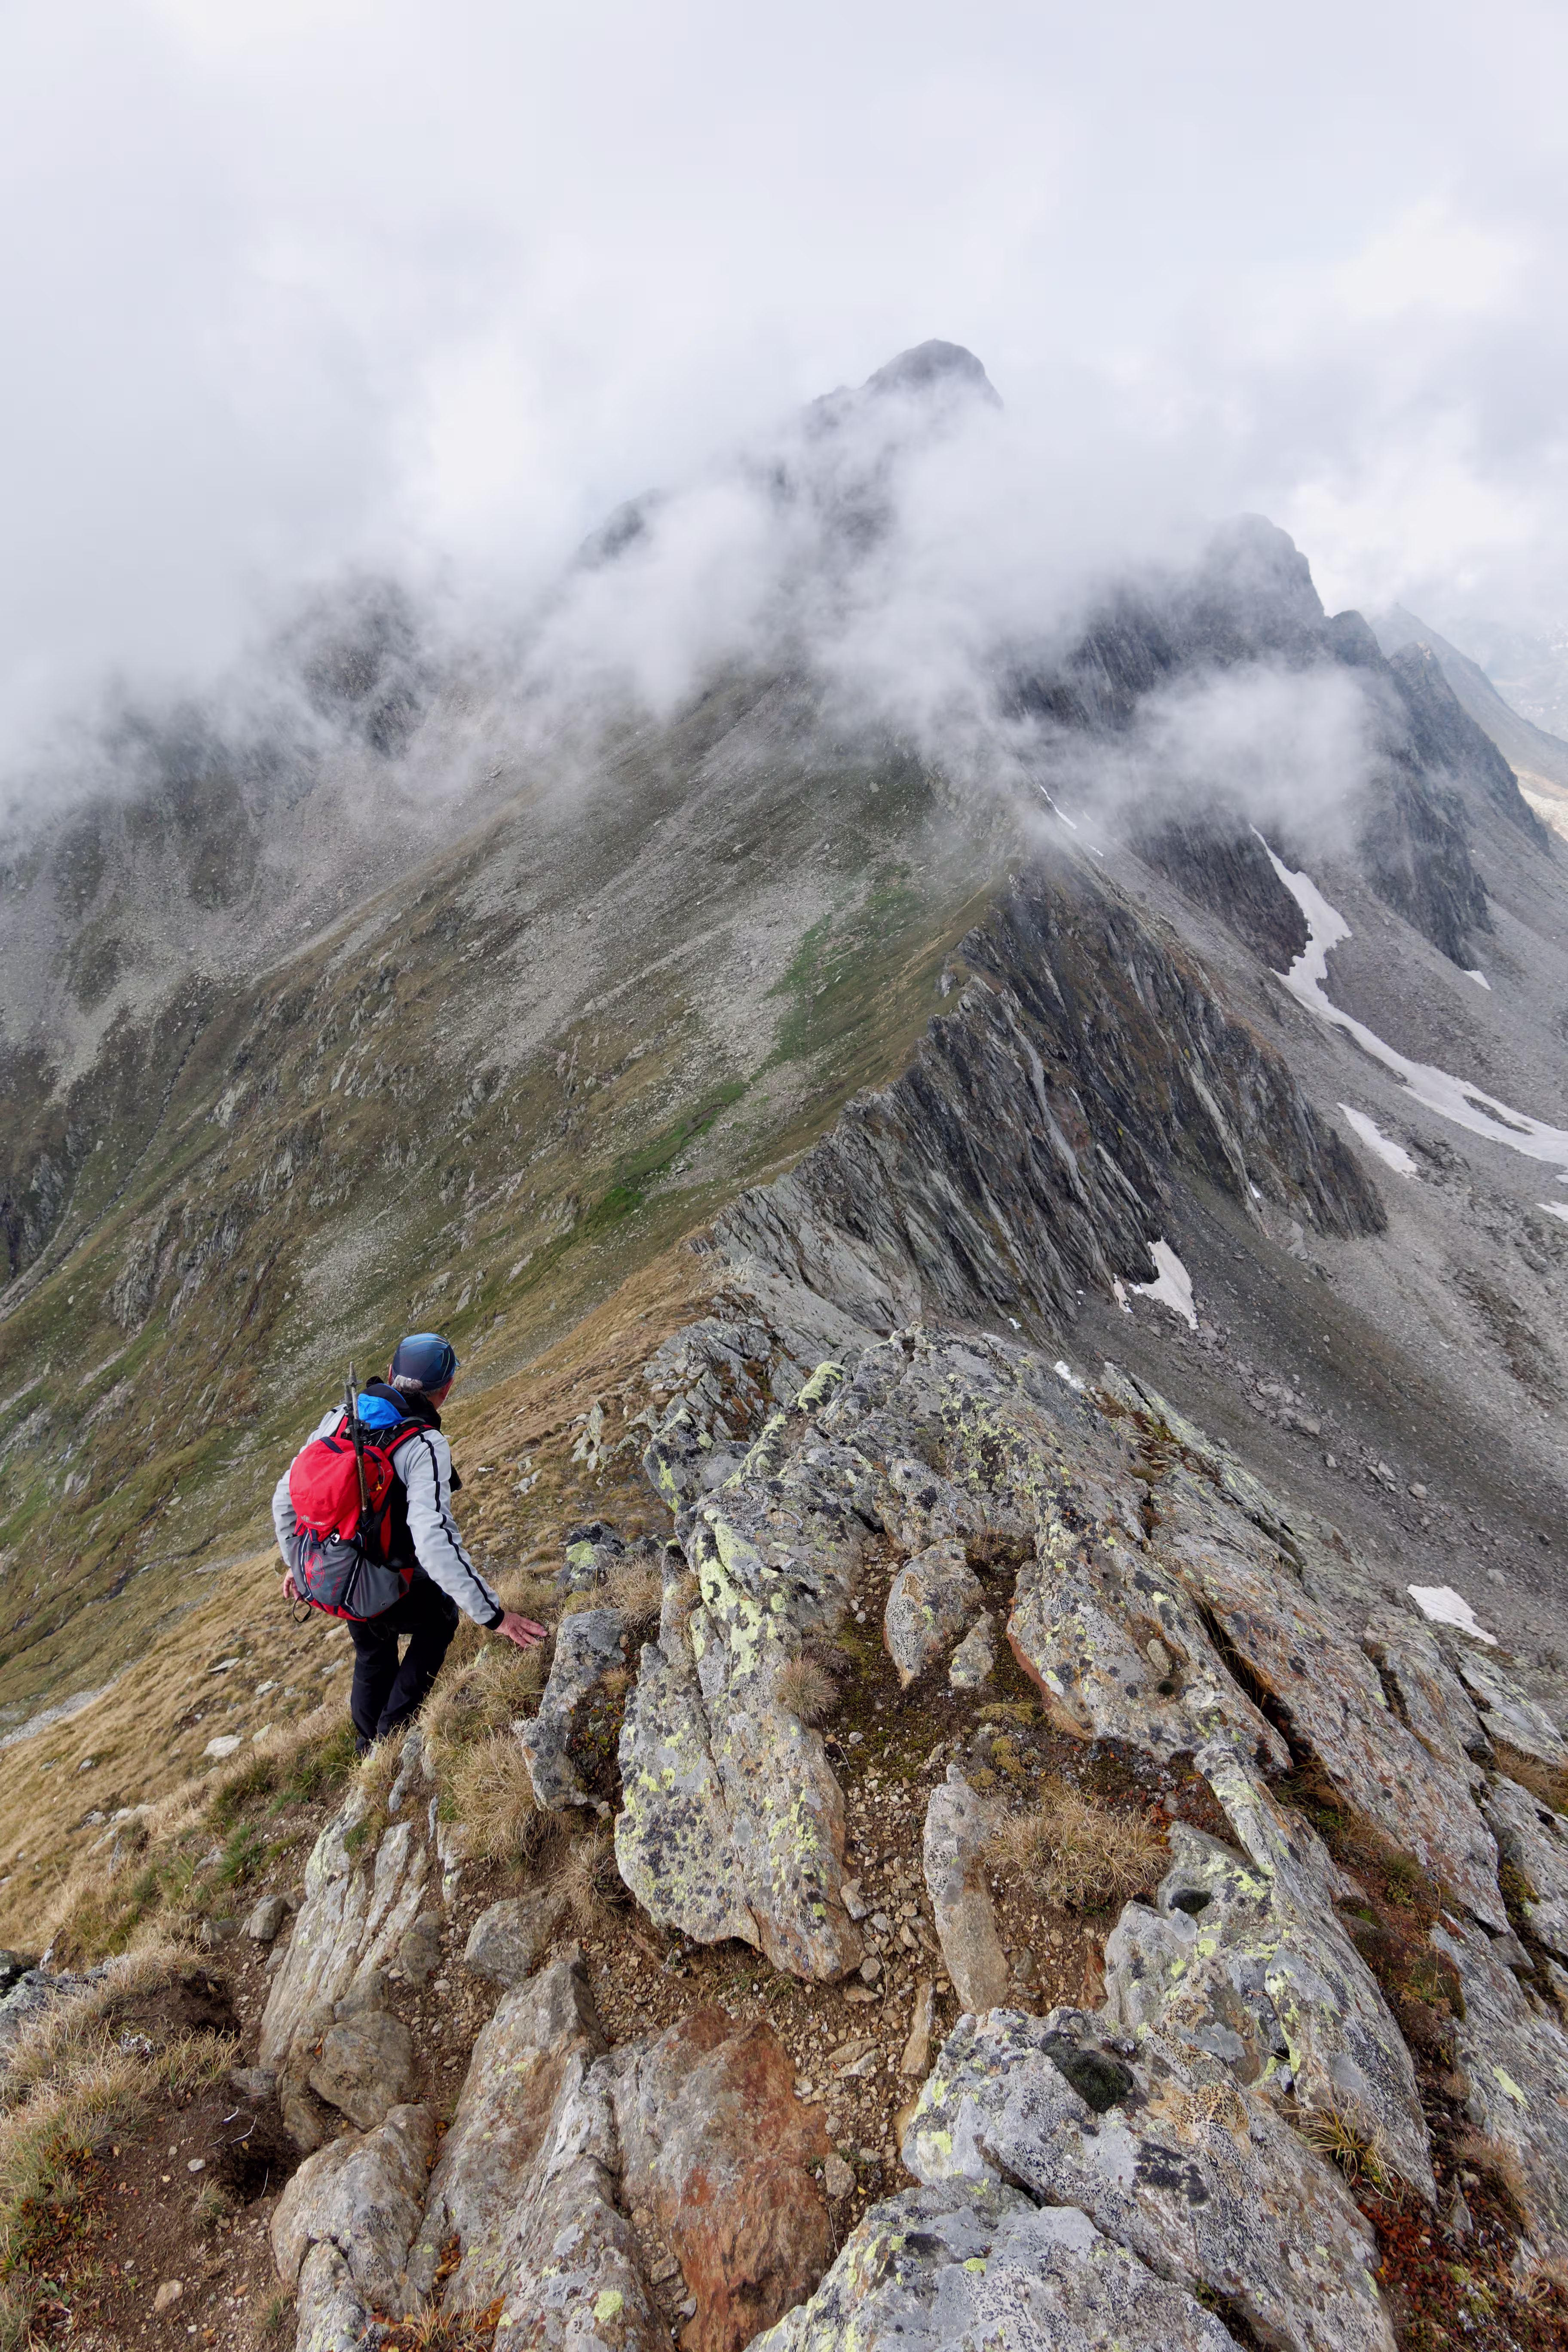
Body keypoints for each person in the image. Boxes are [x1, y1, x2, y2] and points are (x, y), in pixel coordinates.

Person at [271, 1332, 546, 1754]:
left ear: (392, 1372)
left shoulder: (341, 1417)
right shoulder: (422, 1445)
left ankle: (367, 1745)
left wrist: (299, 1560)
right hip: (381, 1578)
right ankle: (390, 1735)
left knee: (371, 1648)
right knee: (441, 1618)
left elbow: (285, 1498)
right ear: (446, 1389)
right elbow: (433, 1542)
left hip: (335, 1572)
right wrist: (495, 1617)